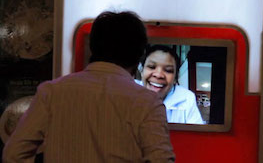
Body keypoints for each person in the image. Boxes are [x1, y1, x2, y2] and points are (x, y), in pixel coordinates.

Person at [3, 11, 175, 163]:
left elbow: (14, 154)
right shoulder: (147, 103)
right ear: (139, 56)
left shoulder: (51, 92)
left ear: (93, 47)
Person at [136, 45, 204, 124]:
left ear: (175, 78)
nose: (158, 75)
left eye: (168, 70)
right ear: (141, 70)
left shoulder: (186, 99)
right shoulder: (128, 92)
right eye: (151, 67)